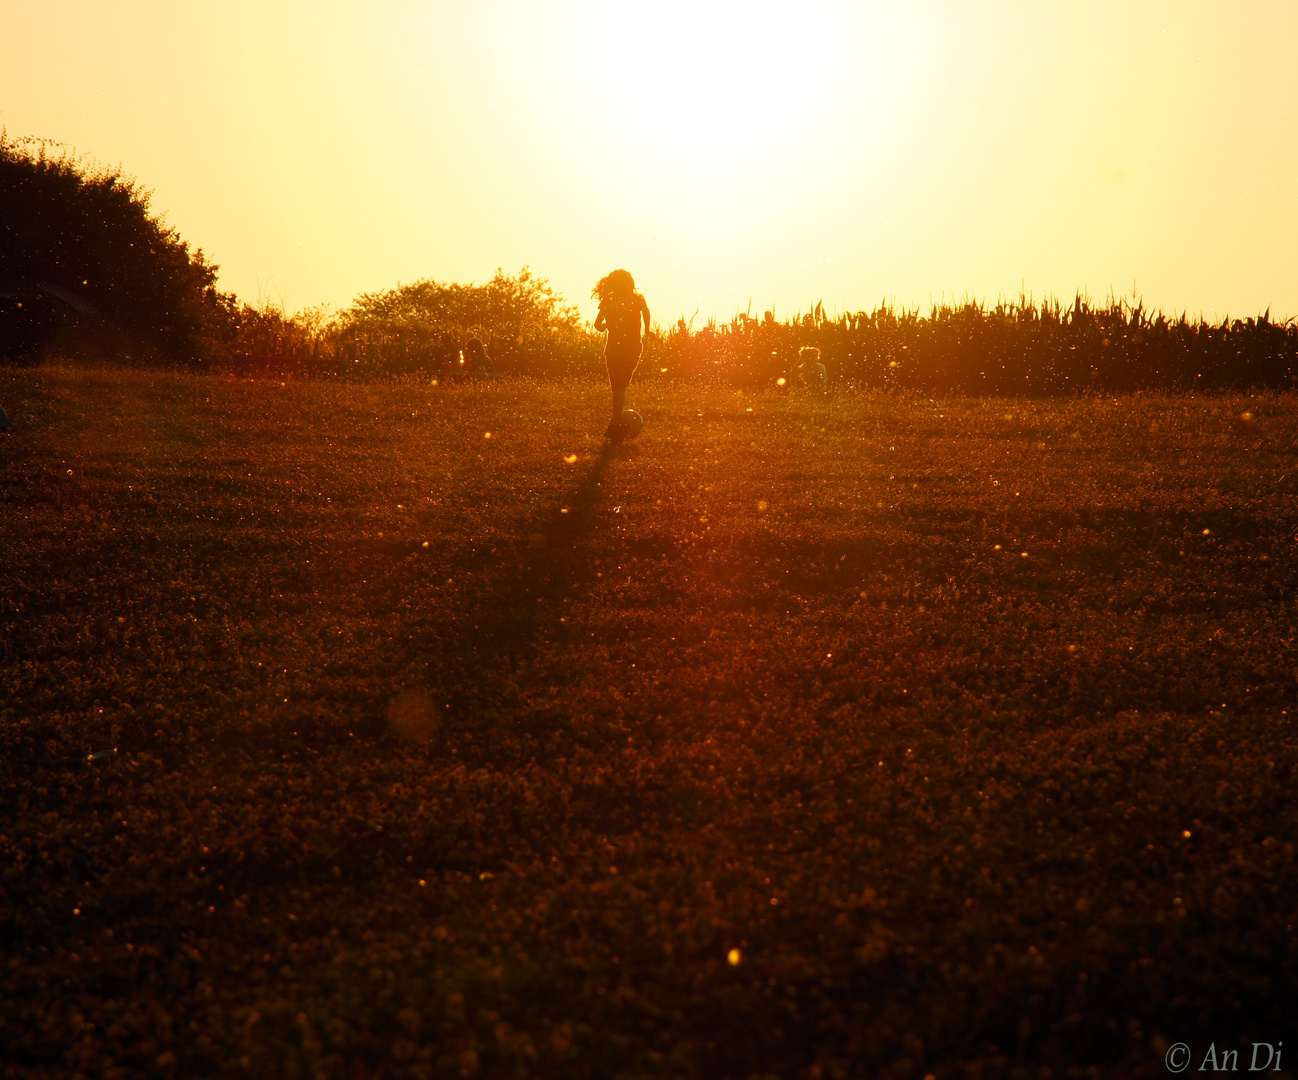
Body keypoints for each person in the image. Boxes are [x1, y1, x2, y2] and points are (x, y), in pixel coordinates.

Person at [592, 269, 650, 442]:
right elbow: (646, 312)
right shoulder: (638, 298)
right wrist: (648, 330)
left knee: (618, 386)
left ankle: (615, 422)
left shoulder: (607, 299)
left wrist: (602, 327)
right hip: (632, 347)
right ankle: (615, 422)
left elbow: (597, 323)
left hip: (613, 348)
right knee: (620, 384)